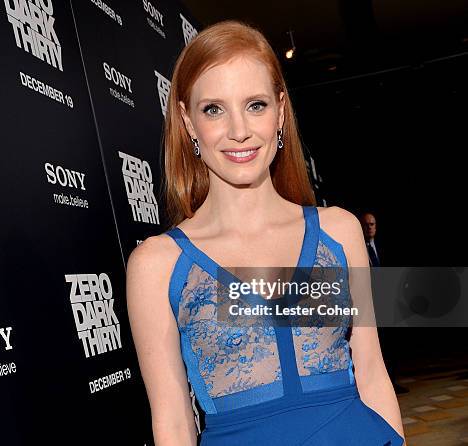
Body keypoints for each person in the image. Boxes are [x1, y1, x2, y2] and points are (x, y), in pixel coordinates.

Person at [126, 20, 405, 445]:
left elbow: (371, 371)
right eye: (213, 109)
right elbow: (173, 423)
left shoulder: (339, 231)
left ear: (280, 110)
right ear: (187, 121)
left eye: (255, 104)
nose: (239, 130)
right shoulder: (157, 264)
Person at [360, 211, 409, 395]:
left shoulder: (383, 247)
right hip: (368, 305)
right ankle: (375, 386)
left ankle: (392, 381)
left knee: (391, 344)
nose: (370, 227)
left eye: (372, 224)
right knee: (374, 345)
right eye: (366, 224)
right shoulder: (356, 248)